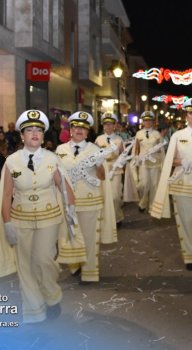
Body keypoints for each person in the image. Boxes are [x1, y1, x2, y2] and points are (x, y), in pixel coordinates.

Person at [0, 109, 76, 323]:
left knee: (43, 259)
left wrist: (71, 208)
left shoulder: (52, 159)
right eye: (29, 130)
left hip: (49, 217)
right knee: (25, 265)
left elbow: (64, 187)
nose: (34, 133)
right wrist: (7, 223)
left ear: (43, 136)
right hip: (20, 219)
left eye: (38, 130)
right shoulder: (11, 162)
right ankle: (34, 311)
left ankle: (51, 295)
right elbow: (6, 194)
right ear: (22, 136)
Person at [151, 98, 192, 270]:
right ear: (186, 116)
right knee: (187, 220)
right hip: (182, 184)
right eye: (191, 113)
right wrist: (182, 161)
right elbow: (170, 161)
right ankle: (191, 255)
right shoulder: (178, 136)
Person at [55, 111, 117, 284]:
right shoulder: (60, 150)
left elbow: (103, 177)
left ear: (88, 131)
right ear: (70, 130)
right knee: (70, 235)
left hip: (90, 200)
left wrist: (98, 166)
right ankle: (75, 264)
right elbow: (55, 174)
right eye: (75, 127)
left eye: (83, 128)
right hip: (67, 201)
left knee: (89, 237)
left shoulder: (95, 149)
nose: (79, 130)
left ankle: (89, 271)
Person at [95, 112, 125, 226]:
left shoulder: (119, 140)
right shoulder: (98, 139)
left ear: (114, 125)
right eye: (106, 124)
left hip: (115, 170)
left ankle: (117, 217)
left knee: (115, 196)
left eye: (110, 124)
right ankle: (106, 218)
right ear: (103, 125)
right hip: (103, 170)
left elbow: (124, 155)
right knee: (103, 195)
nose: (108, 126)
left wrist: (121, 162)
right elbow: (95, 155)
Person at [134, 111, 163, 213]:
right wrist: (136, 157)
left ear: (153, 122)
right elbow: (136, 148)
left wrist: (155, 151)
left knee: (154, 184)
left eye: (150, 120)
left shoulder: (157, 134)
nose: (148, 122)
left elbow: (161, 149)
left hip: (154, 162)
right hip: (143, 162)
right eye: (146, 120)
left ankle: (152, 206)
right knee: (143, 184)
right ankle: (143, 202)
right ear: (143, 122)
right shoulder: (139, 133)